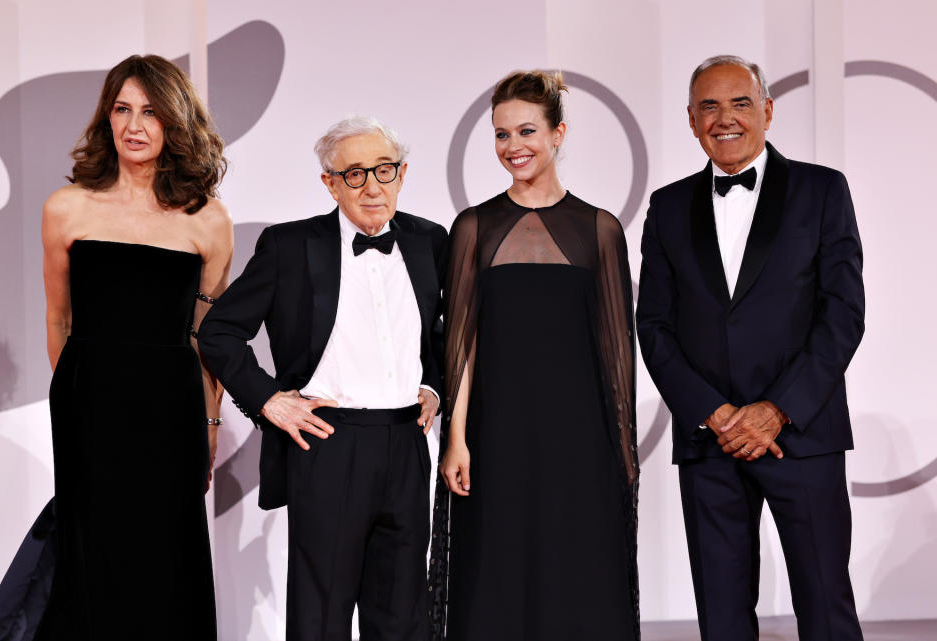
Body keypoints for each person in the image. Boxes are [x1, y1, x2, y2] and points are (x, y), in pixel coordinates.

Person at [0, 54, 232, 641]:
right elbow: (58, 319)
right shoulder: (66, 209)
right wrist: (74, 402)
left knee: (167, 551)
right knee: (92, 550)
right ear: (106, 118)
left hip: (172, 410)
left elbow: (206, 337)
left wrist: (210, 421)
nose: (134, 125)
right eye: (122, 109)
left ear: (174, 122)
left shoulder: (208, 221)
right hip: (89, 404)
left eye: (149, 111)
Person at [636, 55, 865, 641]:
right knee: (721, 615)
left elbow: (842, 313)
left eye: (740, 102)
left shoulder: (821, 189)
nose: (725, 118)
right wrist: (713, 413)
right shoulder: (666, 206)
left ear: (766, 110)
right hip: (709, 444)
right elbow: (654, 327)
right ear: (690, 120)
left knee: (825, 607)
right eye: (709, 106)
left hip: (801, 437)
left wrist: (775, 410)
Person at [196, 116, 447, 641]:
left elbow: (452, 327)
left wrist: (435, 383)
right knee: (321, 616)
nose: (372, 186)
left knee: (404, 617)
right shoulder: (290, 247)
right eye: (354, 174)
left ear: (403, 174)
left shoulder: (430, 241)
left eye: (384, 170)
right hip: (328, 443)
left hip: (406, 444)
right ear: (329, 184)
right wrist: (268, 401)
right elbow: (218, 332)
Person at [431, 70, 639, 641]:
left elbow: (617, 349)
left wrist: (622, 450)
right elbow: (462, 344)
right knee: (496, 576)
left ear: (558, 134)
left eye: (526, 131)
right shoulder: (473, 227)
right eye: (501, 135)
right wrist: (458, 437)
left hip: (580, 438)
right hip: (498, 437)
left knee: (579, 577)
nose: (513, 147)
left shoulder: (600, 229)